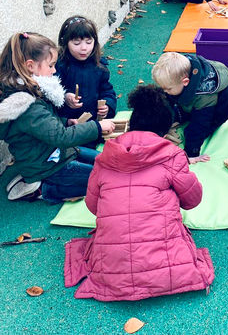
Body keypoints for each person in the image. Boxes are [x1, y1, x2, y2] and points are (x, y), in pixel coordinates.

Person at [64, 85, 214, 301]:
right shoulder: (172, 156)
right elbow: (192, 200)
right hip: (164, 266)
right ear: (164, 132)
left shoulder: (104, 157)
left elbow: (92, 206)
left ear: (130, 126)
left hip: (112, 266)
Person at [0, 32, 115, 202]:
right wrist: (97, 127)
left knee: (107, 163)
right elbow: (61, 137)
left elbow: (42, 126)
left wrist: (66, 121)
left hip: (55, 154)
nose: (54, 71)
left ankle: (29, 177)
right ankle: (39, 188)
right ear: (30, 66)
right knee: (107, 181)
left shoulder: (29, 88)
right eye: (51, 65)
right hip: (48, 166)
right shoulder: (27, 104)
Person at [152, 52, 228, 163]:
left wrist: (191, 154)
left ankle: (193, 147)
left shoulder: (204, 97)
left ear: (185, 82)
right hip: (191, 98)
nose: (165, 91)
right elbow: (169, 98)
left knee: (193, 131)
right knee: (173, 110)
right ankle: (183, 112)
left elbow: (200, 125)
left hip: (219, 109)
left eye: (168, 89)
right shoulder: (178, 78)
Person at [56, 16, 117, 145]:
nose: (84, 48)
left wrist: (108, 106)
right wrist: (65, 97)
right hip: (69, 127)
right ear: (65, 42)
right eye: (76, 43)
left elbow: (107, 91)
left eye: (89, 42)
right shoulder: (59, 66)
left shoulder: (99, 66)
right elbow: (50, 94)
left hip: (94, 125)